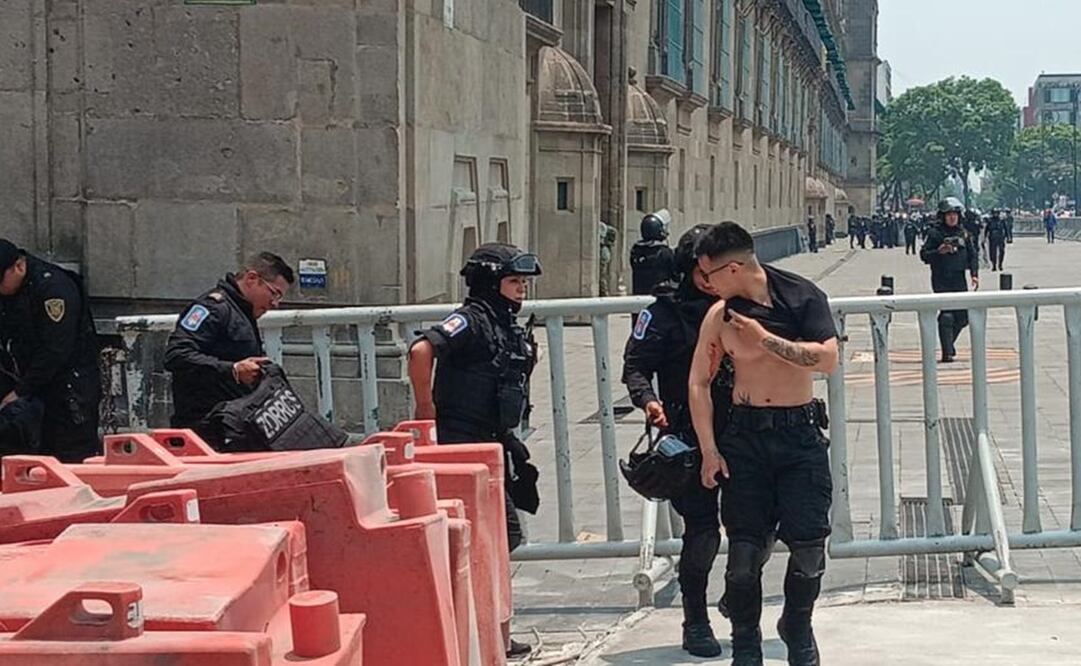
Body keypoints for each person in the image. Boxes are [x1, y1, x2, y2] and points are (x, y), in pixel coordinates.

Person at [688, 222, 839, 666]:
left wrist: (765, 340)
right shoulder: (719, 316)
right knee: (742, 557)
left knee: (809, 548)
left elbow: (828, 359)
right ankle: (747, 645)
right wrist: (709, 450)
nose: (706, 284)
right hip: (746, 437)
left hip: (799, 435)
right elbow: (699, 381)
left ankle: (797, 624)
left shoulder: (801, 297)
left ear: (733, 269)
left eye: (709, 276)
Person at [407, 242, 542, 659]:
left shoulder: (502, 322)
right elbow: (420, 350)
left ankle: (494, 633)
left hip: (491, 442)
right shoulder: (470, 320)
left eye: (523, 282)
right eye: (514, 281)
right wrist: (426, 409)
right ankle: (478, 631)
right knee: (489, 540)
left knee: (501, 539)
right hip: (461, 444)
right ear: (490, 282)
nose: (521, 289)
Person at [622, 224, 733, 658]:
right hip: (686, 437)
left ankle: (737, 592)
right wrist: (649, 402)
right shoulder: (663, 313)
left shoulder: (740, 307)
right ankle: (696, 620)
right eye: (706, 272)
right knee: (702, 532)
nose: (714, 280)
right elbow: (635, 367)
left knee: (759, 527)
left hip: (742, 433)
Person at [164, 252, 295, 444]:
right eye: (274, 293)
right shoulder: (213, 308)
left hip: (233, 426)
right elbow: (176, 355)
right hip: (206, 429)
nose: (274, 304)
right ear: (252, 278)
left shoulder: (241, 312)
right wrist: (233, 370)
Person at [0, 239, 101, 463]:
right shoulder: (11, 291)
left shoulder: (53, 290)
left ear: (18, 266)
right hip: (29, 390)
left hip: (67, 390)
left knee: (69, 460)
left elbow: (55, 349)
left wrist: (21, 391)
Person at [920, 198, 979, 363]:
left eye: (955, 214)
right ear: (943, 216)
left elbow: (973, 255)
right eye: (949, 215)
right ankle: (947, 352)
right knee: (947, 316)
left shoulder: (964, 234)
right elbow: (924, 255)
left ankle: (948, 344)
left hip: (959, 279)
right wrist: (939, 252)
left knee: (963, 316)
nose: (952, 218)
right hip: (941, 278)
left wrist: (974, 274)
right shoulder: (935, 234)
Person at [631, 210, 676, 296]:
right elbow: (675, 274)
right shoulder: (664, 252)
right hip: (659, 297)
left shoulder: (635, 250)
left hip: (638, 296)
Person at [598, 219, 616, 297]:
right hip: (605, 253)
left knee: (602, 275)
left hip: (604, 254)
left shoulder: (602, 227)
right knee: (602, 274)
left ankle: (604, 292)